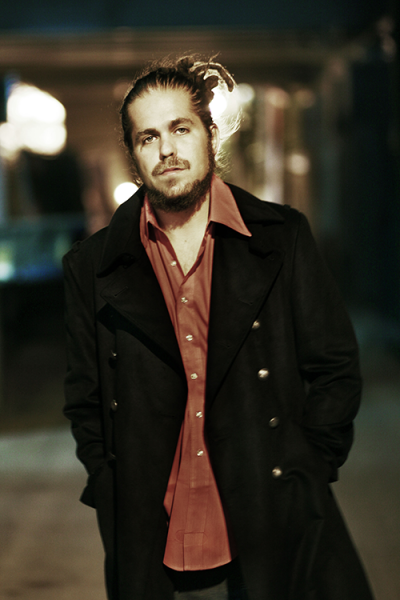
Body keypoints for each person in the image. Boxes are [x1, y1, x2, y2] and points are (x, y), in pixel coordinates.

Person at [63, 55, 374, 600]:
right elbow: (85, 398)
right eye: (148, 137)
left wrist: (307, 465)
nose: (167, 150)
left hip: (269, 512)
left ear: (209, 133)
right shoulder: (92, 266)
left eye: (180, 129)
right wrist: (109, 482)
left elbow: (334, 366)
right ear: (133, 154)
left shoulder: (281, 238)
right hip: (153, 529)